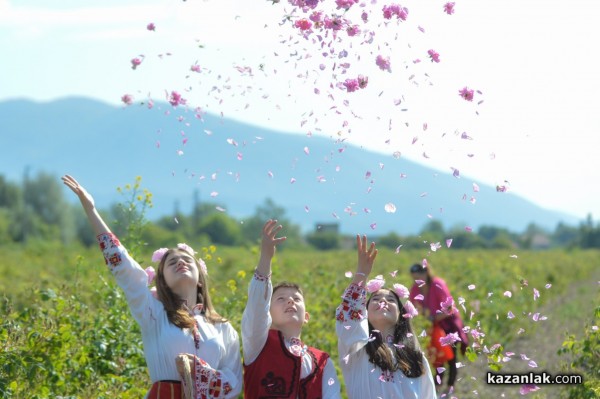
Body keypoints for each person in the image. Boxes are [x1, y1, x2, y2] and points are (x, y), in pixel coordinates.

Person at [62, 175, 242, 399]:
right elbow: (125, 268)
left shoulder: (223, 328)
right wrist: (91, 210)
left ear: (200, 278)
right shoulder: (153, 313)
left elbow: (234, 383)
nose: (180, 262)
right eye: (171, 262)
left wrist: (201, 374)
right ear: (162, 280)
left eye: (187, 260)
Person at [242, 220, 341, 399]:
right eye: (281, 299)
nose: (290, 302)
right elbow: (256, 306)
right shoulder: (257, 345)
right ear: (268, 315)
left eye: (296, 299)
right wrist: (265, 257)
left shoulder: (323, 361)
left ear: (307, 317)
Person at [335, 235, 436, 399]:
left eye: (391, 300)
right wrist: (361, 274)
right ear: (363, 313)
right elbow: (346, 316)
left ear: (400, 315)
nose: (383, 301)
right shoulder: (356, 348)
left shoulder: (415, 356)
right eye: (375, 299)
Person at [409, 262, 468, 394]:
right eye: (414, 278)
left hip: (448, 323)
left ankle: (450, 386)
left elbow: (449, 307)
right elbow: (413, 307)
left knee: (451, 357)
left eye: (418, 277)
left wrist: (434, 317)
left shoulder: (437, 284)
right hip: (432, 326)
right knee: (436, 356)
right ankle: (437, 387)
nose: (416, 280)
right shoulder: (415, 288)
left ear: (426, 274)